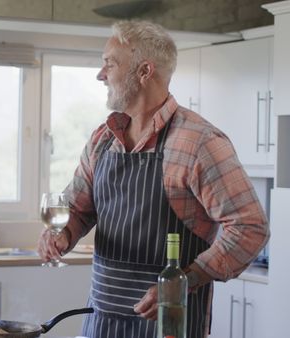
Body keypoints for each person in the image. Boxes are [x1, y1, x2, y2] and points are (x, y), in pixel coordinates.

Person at [37, 21, 269, 338]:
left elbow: (250, 226)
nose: (100, 74)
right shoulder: (102, 139)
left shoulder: (199, 143)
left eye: (110, 64)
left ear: (144, 72)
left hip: (169, 324)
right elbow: (78, 208)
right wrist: (62, 235)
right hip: (100, 322)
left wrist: (185, 279)